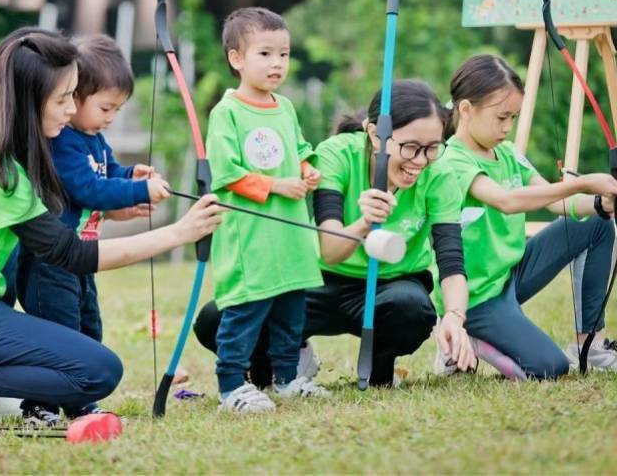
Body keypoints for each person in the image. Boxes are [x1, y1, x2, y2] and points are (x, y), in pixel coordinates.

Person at [0, 27, 224, 426]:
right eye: (62, 99)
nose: (69, 110)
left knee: (78, 358)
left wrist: (111, 211)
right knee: (97, 372)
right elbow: (69, 253)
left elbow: (47, 214)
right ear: (29, 99)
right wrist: (178, 233)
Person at [195, 79, 477, 388]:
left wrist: (454, 316)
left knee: (411, 308)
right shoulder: (336, 155)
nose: (421, 161)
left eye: (432, 148)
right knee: (215, 320)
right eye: (410, 147)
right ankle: (286, 357)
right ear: (375, 134)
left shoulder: (440, 175)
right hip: (318, 280)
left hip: (391, 286)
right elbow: (329, 249)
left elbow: (451, 260)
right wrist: (364, 224)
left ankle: (379, 366)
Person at [15, 34, 169, 424]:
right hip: (51, 264)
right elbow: (88, 188)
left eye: (118, 109)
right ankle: (39, 405)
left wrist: (130, 175)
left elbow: (108, 174)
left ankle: (78, 400)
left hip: (80, 261)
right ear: (74, 96)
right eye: (105, 107)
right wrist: (136, 189)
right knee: (57, 334)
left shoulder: (94, 140)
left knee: (87, 328)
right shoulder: (64, 142)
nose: (110, 117)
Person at [438, 53, 617, 378]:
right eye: (501, 117)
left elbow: (553, 202)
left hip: (513, 273)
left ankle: (588, 344)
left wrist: (599, 204)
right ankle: (468, 340)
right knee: (551, 368)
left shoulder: (506, 152)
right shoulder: (453, 161)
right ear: (465, 109)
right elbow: (506, 200)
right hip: (477, 296)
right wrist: (584, 183)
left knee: (597, 224)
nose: (507, 128)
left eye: (513, 118)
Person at [203, 7, 327, 413]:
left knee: (291, 312)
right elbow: (226, 173)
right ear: (236, 58)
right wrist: (278, 185)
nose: (277, 64)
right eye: (265, 54)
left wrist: (308, 172)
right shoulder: (227, 113)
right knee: (244, 313)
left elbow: (300, 151)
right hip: (251, 241)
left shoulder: (285, 108)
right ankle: (231, 387)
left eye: (284, 55)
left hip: (291, 237)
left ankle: (288, 378)